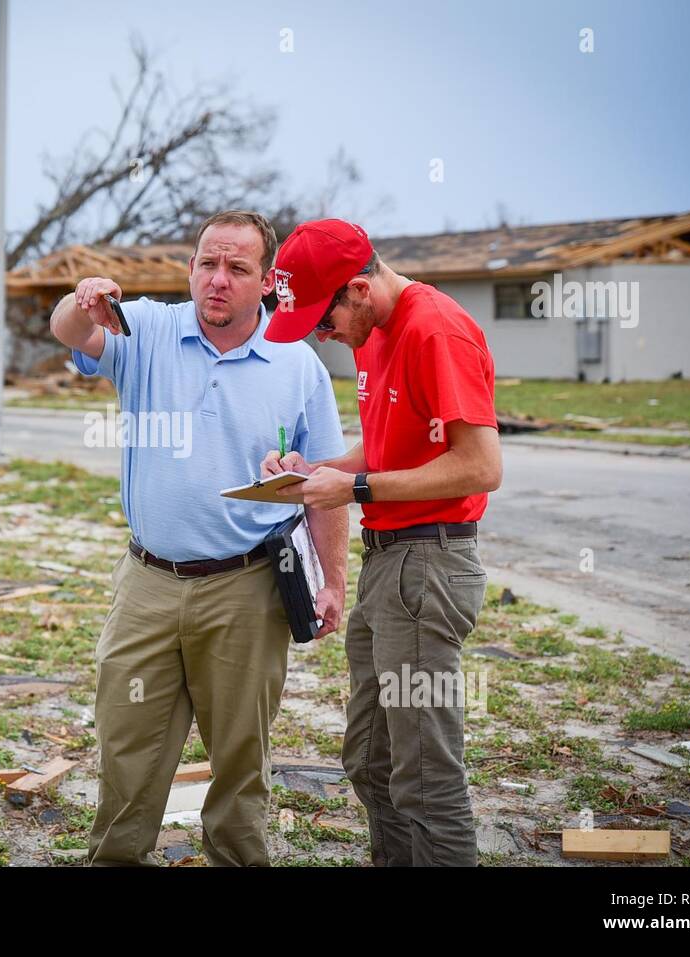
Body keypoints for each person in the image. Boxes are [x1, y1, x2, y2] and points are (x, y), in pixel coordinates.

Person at [49, 210, 348, 866]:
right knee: (126, 758)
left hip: (248, 591)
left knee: (241, 766)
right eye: (207, 263)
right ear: (191, 267)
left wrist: (333, 582)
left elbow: (327, 484)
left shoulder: (298, 367)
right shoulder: (148, 329)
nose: (218, 280)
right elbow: (71, 332)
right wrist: (81, 301)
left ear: (266, 280)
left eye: (237, 268)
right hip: (147, 586)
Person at [261, 219, 503, 866]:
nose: (323, 335)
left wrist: (358, 490)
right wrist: (322, 472)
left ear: (360, 289)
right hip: (385, 563)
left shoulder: (435, 329)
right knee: (369, 760)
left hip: (429, 565)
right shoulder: (373, 333)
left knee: (425, 778)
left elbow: (481, 466)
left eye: (324, 320)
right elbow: (387, 443)